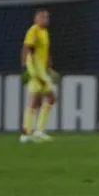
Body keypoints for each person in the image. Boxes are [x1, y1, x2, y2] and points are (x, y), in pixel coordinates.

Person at [21, 9, 58, 143]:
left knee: (47, 99)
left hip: (42, 70)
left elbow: (45, 52)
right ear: (36, 18)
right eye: (43, 17)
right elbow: (27, 48)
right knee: (39, 99)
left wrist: (49, 68)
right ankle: (27, 132)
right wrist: (26, 67)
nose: (46, 19)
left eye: (47, 17)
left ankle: (35, 131)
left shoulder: (44, 32)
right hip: (36, 70)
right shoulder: (34, 31)